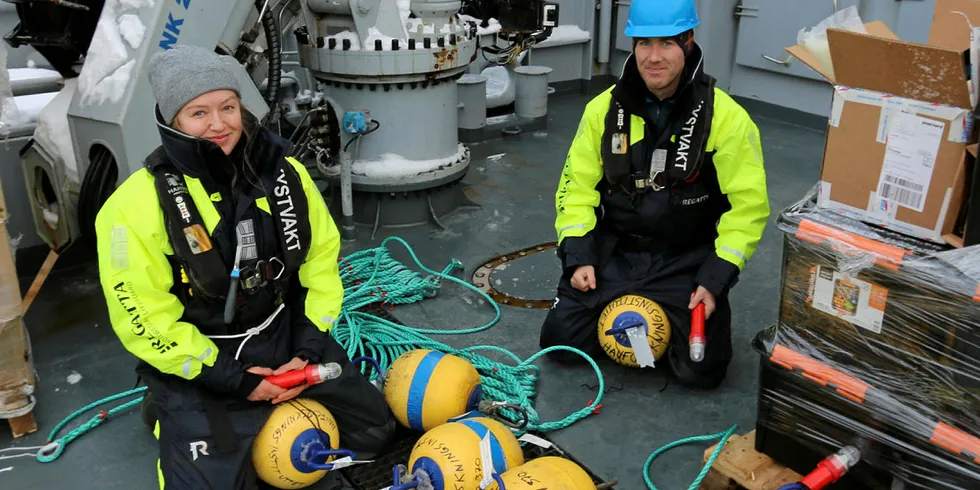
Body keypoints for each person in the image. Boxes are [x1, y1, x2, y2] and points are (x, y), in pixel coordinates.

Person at [95, 45, 395, 489]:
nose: (218, 124)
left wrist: (307, 350)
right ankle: (165, 407)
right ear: (172, 120)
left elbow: (320, 263)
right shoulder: (131, 209)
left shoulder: (286, 174)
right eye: (198, 113)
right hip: (203, 359)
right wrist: (235, 381)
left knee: (373, 434)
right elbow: (142, 317)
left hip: (284, 337)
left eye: (228, 107)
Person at [539, 1, 770, 389]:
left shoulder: (727, 118)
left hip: (685, 260)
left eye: (666, 44)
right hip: (614, 252)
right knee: (560, 346)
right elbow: (575, 189)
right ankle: (625, 305)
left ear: (689, 42)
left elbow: (747, 208)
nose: (653, 57)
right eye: (644, 43)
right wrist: (579, 256)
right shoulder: (602, 111)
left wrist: (715, 279)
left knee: (700, 372)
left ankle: (662, 309)